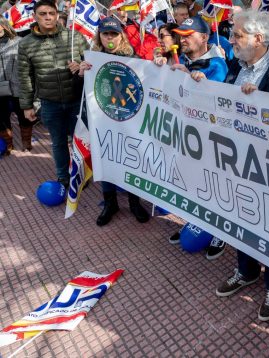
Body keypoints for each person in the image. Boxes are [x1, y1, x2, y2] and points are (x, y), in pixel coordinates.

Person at [216, 9, 269, 322]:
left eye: (238, 35)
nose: (232, 40)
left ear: (259, 38)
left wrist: (259, 102)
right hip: (236, 161)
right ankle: (246, 270)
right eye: (233, 34)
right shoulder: (233, 65)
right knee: (242, 217)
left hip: (268, 167)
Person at [160, 17, 228, 257]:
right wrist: (161, 67)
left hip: (212, 140)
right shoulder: (183, 59)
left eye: (189, 34)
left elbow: (214, 99)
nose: (183, 38)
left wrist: (188, 75)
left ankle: (221, 233)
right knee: (192, 183)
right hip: (188, 137)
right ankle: (194, 222)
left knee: (216, 187)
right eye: (181, 34)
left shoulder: (217, 63)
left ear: (204, 38)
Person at [75, 17, 151, 227]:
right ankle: (111, 203)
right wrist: (81, 74)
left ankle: (134, 202)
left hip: (126, 120)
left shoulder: (132, 58)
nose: (110, 38)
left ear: (121, 36)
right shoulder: (91, 58)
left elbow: (145, 84)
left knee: (130, 160)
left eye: (114, 34)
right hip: (101, 121)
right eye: (106, 34)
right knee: (104, 160)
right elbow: (81, 92)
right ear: (99, 36)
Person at [18, 0, 88, 187]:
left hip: (76, 100)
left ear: (57, 14)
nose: (48, 17)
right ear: (34, 17)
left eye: (51, 13)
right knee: (57, 143)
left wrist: (81, 67)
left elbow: (91, 63)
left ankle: (81, 173)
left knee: (79, 142)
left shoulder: (75, 37)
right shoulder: (25, 44)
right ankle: (63, 176)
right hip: (50, 102)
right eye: (43, 14)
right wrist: (26, 106)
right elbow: (25, 76)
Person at [0, 18, 33, 154]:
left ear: (4, 26)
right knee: (2, 119)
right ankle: (8, 146)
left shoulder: (20, 42)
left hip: (19, 87)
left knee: (24, 116)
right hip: (0, 89)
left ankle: (26, 144)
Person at [170, 16, 228, 82]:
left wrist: (189, 77)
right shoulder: (183, 58)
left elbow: (216, 91)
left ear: (204, 37)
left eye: (187, 35)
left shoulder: (218, 65)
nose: (181, 40)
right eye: (181, 36)